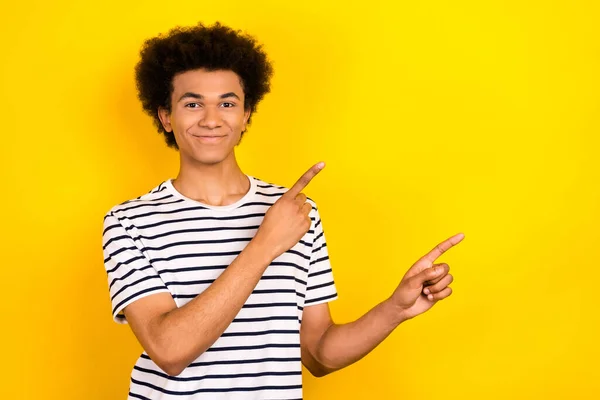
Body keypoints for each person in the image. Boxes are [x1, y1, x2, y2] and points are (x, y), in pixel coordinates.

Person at [102, 21, 465, 400]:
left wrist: (396, 309)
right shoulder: (129, 222)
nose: (211, 119)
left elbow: (319, 353)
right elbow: (170, 351)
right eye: (192, 104)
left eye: (227, 103)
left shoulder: (295, 212)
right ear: (165, 117)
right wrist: (265, 244)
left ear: (245, 116)